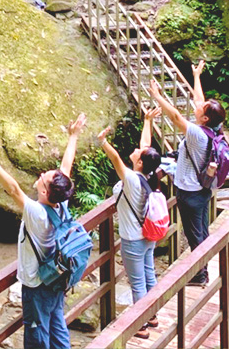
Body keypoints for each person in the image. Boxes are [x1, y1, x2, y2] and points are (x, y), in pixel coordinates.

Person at [0, 113, 87, 349]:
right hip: (57, 277)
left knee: (37, 332)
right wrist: (73, 136)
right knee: (56, 323)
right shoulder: (61, 203)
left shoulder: (37, 214)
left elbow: (13, 190)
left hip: (37, 283)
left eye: (43, 177)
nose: (41, 175)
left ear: (44, 191)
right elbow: (66, 168)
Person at [149, 60, 225, 286]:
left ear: (204, 118)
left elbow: (174, 117)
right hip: (202, 189)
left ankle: (200, 275)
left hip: (190, 192)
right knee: (201, 230)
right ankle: (205, 267)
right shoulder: (214, 128)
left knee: (194, 235)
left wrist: (157, 95)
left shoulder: (197, 135)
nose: (197, 107)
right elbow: (199, 101)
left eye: (201, 110)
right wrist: (196, 76)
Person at [97, 108, 164, 340]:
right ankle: (152, 314)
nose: (136, 151)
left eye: (138, 153)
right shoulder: (150, 175)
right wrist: (147, 121)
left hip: (133, 239)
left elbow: (115, 159)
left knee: (137, 282)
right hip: (147, 236)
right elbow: (145, 146)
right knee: (148, 274)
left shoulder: (133, 180)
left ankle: (142, 325)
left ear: (139, 163)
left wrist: (103, 141)